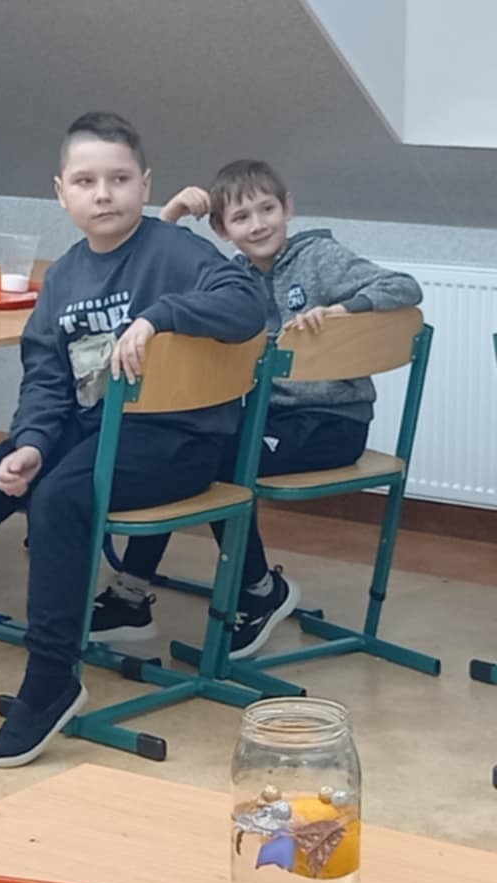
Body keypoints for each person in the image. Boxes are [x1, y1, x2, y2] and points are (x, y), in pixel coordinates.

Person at [0, 112, 265, 768]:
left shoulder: (174, 251)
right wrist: (31, 442)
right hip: (88, 428)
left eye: (120, 179)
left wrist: (159, 317)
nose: (104, 194)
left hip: (178, 441)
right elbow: (46, 379)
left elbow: (246, 303)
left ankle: (52, 675)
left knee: (63, 497)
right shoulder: (63, 277)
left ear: (145, 185)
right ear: (61, 192)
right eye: (86, 182)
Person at [95, 159, 424, 656]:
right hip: (267, 419)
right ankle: (131, 595)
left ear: (287, 208)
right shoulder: (234, 277)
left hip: (332, 423)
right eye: (241, 217)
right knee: (185, 449)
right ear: (222, 230)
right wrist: (171, 217)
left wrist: (340, 312)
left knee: (218, 463)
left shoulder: (318, 256)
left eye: (267, 209)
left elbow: (402, 287)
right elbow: (159, 284)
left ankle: (261, 590)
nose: (258, 224)